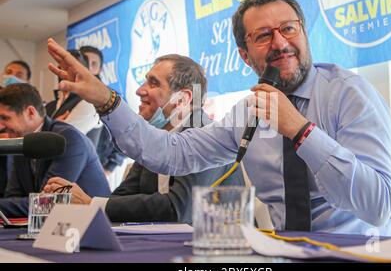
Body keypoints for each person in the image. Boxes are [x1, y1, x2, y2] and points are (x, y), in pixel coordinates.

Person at [47, 0, 391, 236]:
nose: (279, 43)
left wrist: (301, 131)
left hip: (359, 253)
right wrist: (106, 99)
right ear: (245, 56)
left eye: (288, 29)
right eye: (263, 35)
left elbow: (379, 207)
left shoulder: (350, 94)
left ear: (304, 33)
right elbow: (169, 153)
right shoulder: (248, 113)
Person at [43, 54, 243, 223]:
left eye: (153, 83)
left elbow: (179, 209)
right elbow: (122, 197)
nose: (139, 90)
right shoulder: (153, 139)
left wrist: (90, 203)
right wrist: (85, 203)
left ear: (182, 99)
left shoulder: (206, 134)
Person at [0, 84, 110, 217]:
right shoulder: (22, 140)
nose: (1, 125)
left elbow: (47, 202)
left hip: (92, 227)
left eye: (5, 118)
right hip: (49, 226)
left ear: (30, 112)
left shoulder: (68, 139)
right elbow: (13, 196)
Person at [80, 46, 126, 185]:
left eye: (93, 64)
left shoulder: (110, 98)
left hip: (97, 171)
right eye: (84, 61)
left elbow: (126, 136)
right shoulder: (66, 95)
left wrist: (108, 169)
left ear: (100, 68)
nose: (88, 67)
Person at [45, 50, 102, 136]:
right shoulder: (49, 106)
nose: (66, 71)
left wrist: (49, 126)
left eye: (73, 68)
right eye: (63, 66)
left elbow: (62, 137)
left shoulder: (89, 103)